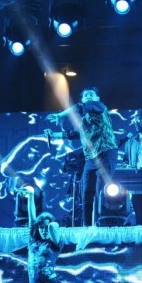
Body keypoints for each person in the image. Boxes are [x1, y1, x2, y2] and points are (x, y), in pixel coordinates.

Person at [45, 87, 118, 226]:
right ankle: (87, 227)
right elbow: (73, 134)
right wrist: (52, 135)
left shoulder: (100, 107)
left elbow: (81, 106)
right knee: (86, 193)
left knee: (100, 191)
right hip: (91, 159)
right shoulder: (84, 121)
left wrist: (60, 115)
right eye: (86, 95)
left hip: (106, 154)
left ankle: (102, 225)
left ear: (97, 98)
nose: (88, 96)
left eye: (91, 94)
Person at [20, 186, 65, 283]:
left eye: (46, 227)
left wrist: (50, 223)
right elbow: (32, 217)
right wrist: (31, 196)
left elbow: (53, 227)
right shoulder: (33, 241)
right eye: (41, 227)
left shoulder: (55, 244)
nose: (44, 230)